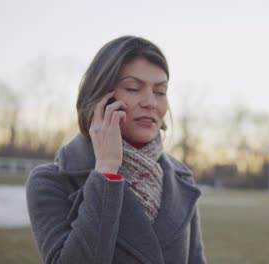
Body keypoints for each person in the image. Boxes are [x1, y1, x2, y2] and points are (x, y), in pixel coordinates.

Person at [26, 36, 207, 264]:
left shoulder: (181, 178)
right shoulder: (51, 181)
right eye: (133, 88)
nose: (150, 102)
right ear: (101, 98)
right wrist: (106, 171)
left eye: (160, 91)